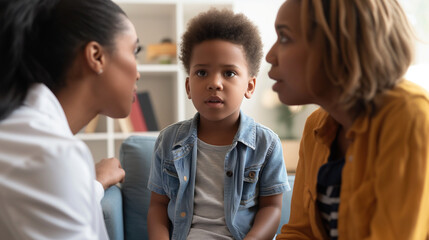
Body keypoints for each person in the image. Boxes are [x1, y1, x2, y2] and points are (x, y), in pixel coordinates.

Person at [266, 0, 429, 239]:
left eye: (285, 37)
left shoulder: (409, 116)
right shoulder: (315, 126)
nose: (270, 55)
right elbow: (301, 232)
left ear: (340, 45)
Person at [0, 0, 141, 238]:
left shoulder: (28, 137)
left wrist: (92, 185)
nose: (138, 73)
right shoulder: (50, 154)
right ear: (96, 56)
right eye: (134, 51)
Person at [147, 8, 290, 240]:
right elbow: (157, 206)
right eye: (202, 72)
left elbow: (272, 208)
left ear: (250, 86)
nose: (214, 83)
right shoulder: (168, 141)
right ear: (188, 87)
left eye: (229, 73)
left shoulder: (267, 144)